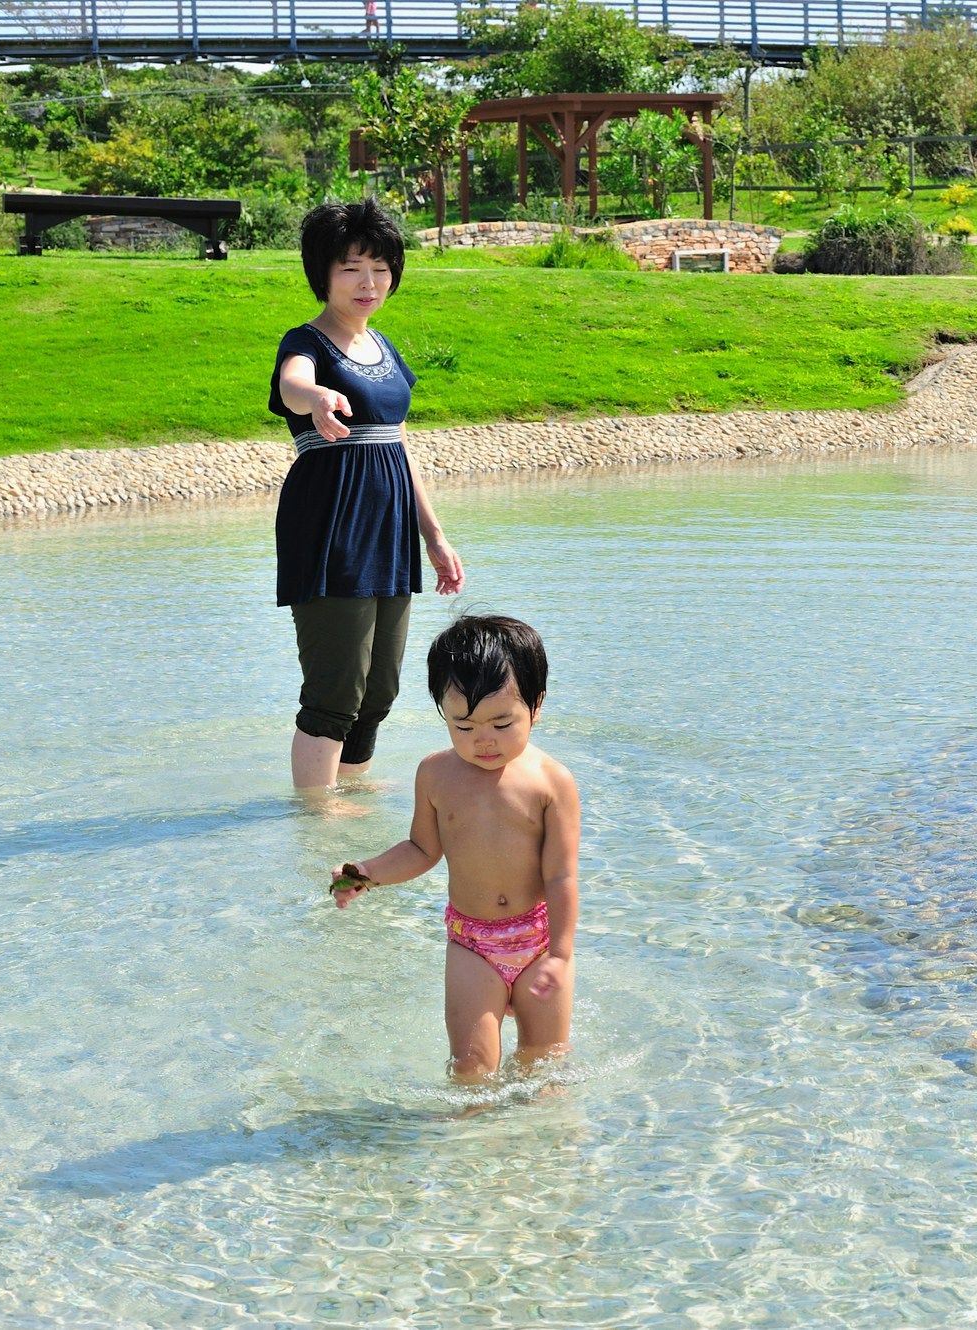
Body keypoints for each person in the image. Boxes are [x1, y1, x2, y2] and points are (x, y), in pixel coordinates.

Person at [331, 616, 581, 1082]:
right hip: (472, 943)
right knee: (470, 1070)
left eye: (502, 723)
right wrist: (366, 872)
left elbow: (562, 876)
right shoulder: (436, 775)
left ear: (537, 706)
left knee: (545, 1066)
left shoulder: (552, 782)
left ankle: (542, 1152)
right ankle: (464, 1150)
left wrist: (562, 955)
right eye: (462, 725)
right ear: (442, 712)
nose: (482, 740)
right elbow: (421, 849)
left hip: (539, 942)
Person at [272, 199, 463, 793]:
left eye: (379, 267)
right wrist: (319, 398)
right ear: (323, 274)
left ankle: (350, 793)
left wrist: (433, 535)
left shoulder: (384, 350)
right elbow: (293, 383)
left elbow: (400, 448)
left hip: (390, 526)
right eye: (351, 267)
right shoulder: (306, 343)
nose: (367, 282)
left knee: (379, 689)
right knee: (336, 691)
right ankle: (314, 819)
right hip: (332, 525)